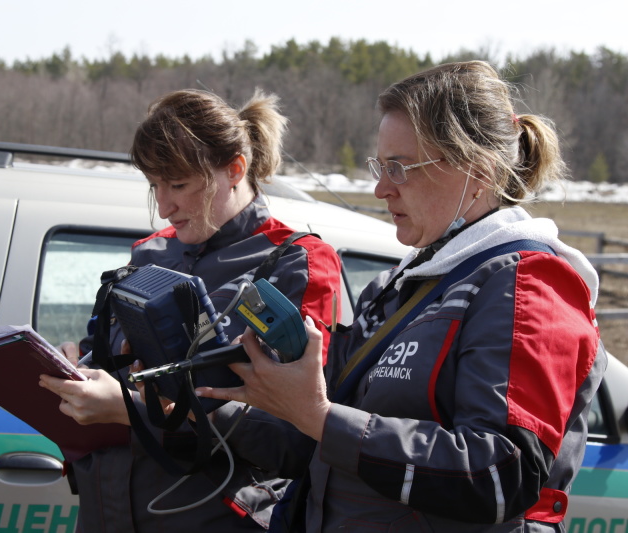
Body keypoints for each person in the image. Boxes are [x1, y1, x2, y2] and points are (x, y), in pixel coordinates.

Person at [197, 60, 608, 532]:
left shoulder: (530, 284)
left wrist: (323, 419)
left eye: (401, 167)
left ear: (477, 168)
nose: (380, 188)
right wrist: (199, 404)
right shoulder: (406, 282)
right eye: (380, 165)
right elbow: (314, 443)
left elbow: (502, 474)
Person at [39, 88, 342, 532]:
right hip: (106, 513)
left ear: (235, 168)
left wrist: (131, 409)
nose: (164, 206)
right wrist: (75, 370)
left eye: (178, 184)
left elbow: (296, 436)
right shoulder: (147, 254)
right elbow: (106, 363)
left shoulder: (297, 261)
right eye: (154, 186)